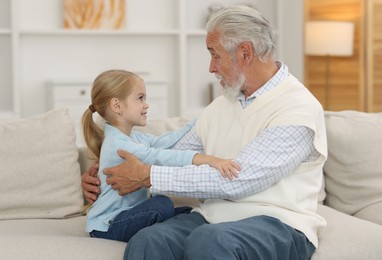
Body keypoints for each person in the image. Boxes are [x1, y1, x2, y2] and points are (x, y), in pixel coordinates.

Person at [82, 5, 327, 260]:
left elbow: (240, 181)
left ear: (245, 53)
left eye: (215, 55)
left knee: (211, 240)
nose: (211, 67)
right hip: (212, 218)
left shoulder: (297, 108)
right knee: (149, 240)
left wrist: (147, 176)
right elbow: (172, 155)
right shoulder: (222, 106)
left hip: (280, 224)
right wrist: (110, 174)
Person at [81, 69, 240, 243]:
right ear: (117, 106)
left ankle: (164, 230)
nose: (146, 104)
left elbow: (166, 141)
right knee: (162, 204)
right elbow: (159, 156)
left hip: (126, 216)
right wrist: (208, 159)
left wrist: (201, 120)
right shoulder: (118, 144)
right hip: (108, 226)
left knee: (190, 212)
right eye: (140, 98)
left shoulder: (134, 137)